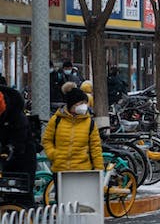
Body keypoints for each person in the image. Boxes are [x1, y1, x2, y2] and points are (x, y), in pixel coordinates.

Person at [42, 82, 102, 174]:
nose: (84, 106)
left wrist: (99, 170)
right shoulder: (56, 120)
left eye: (85, 103)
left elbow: (95, 148)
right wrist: (53, 154)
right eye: (81, 103)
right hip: (59, 170)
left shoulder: (89, 123)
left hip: (82, 171)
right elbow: (47, 140)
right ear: (71, 104)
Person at [0, 73, 34, 202]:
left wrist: (10, 148)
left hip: (22, 157)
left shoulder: (16, 116)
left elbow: (20, 138)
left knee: (22, 194)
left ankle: (26, 217)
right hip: (7, 157)